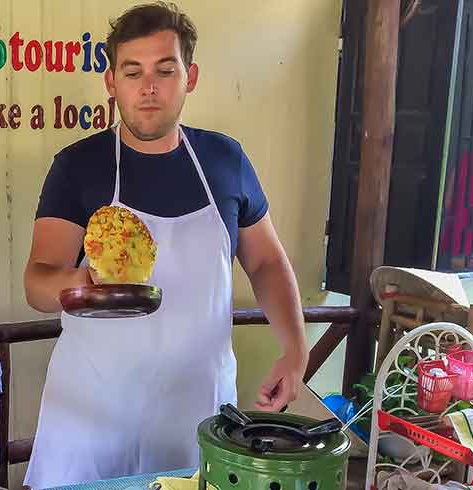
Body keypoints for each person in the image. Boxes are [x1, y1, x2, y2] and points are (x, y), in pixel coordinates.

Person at [22, 3, 308, 488]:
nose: (148, 87)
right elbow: (37, 281)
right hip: (91, 418)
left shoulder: (225, 160)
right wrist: (76, 283)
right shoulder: (78, 167)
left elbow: (266, 261)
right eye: (132, 72)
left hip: (196, 413)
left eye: (164, 70)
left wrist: (295, 348)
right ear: (111, 81)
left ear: (189, 76)